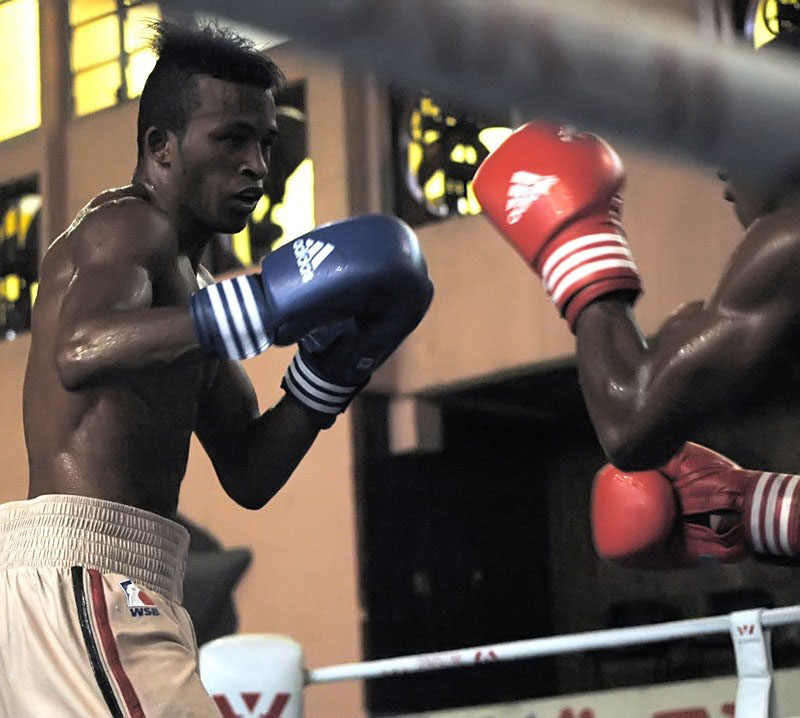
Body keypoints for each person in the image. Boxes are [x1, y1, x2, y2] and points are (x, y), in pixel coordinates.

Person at [0, 22, 432, 717]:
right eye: (231, 138)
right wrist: (260, 306)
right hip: (86, 581)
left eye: (265, 142)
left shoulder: (193, 286)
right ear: (160, 147)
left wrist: (334, 371)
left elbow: (250, 471)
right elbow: (77, 351)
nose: (258, 165)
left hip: (115, 585)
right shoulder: (126, 228)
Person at [471, 71, 800, 568]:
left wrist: (577, 247)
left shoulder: (789, 241)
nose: (719, 168)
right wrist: (761, 509)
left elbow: (630, 421)